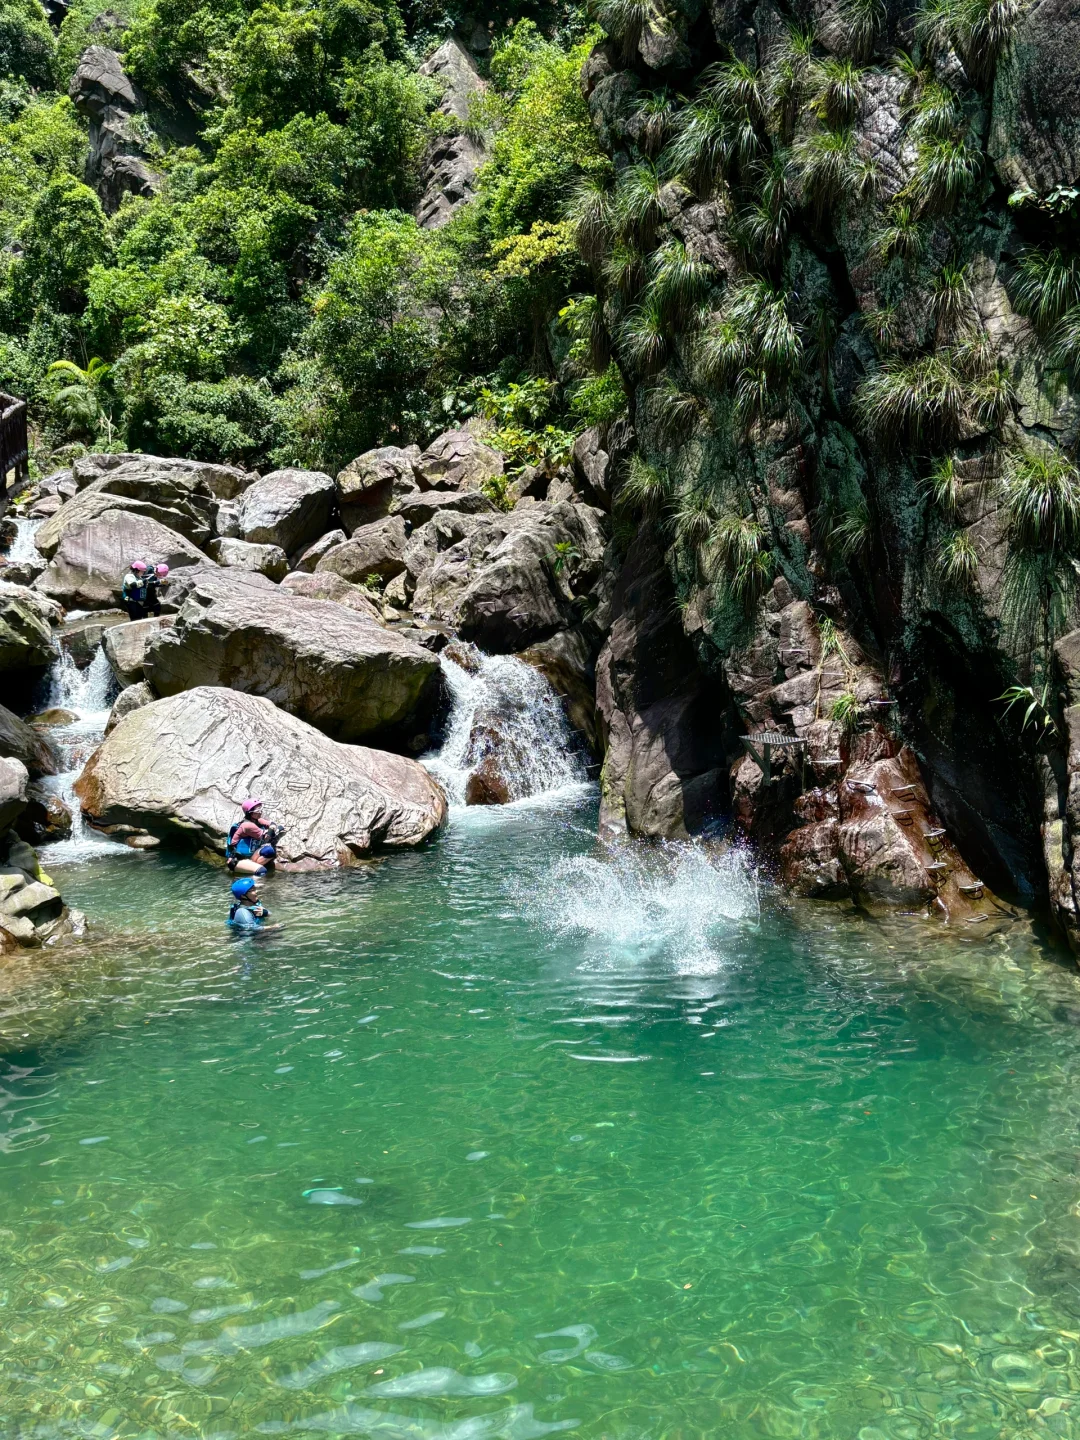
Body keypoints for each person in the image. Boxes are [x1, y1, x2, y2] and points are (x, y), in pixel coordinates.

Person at [226, 798, 285, 873]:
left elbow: (272, 824)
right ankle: (252, 871)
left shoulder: (258, 820)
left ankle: (253, 867)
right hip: (238, 860)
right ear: (249, 813)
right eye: (257, 811)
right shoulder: (247, 825)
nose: (260, 812)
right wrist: (276, 829)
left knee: (269, 851)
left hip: (251, 857)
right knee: (262, 871)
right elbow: (267, 836)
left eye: (260, 809)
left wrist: (273, 828)